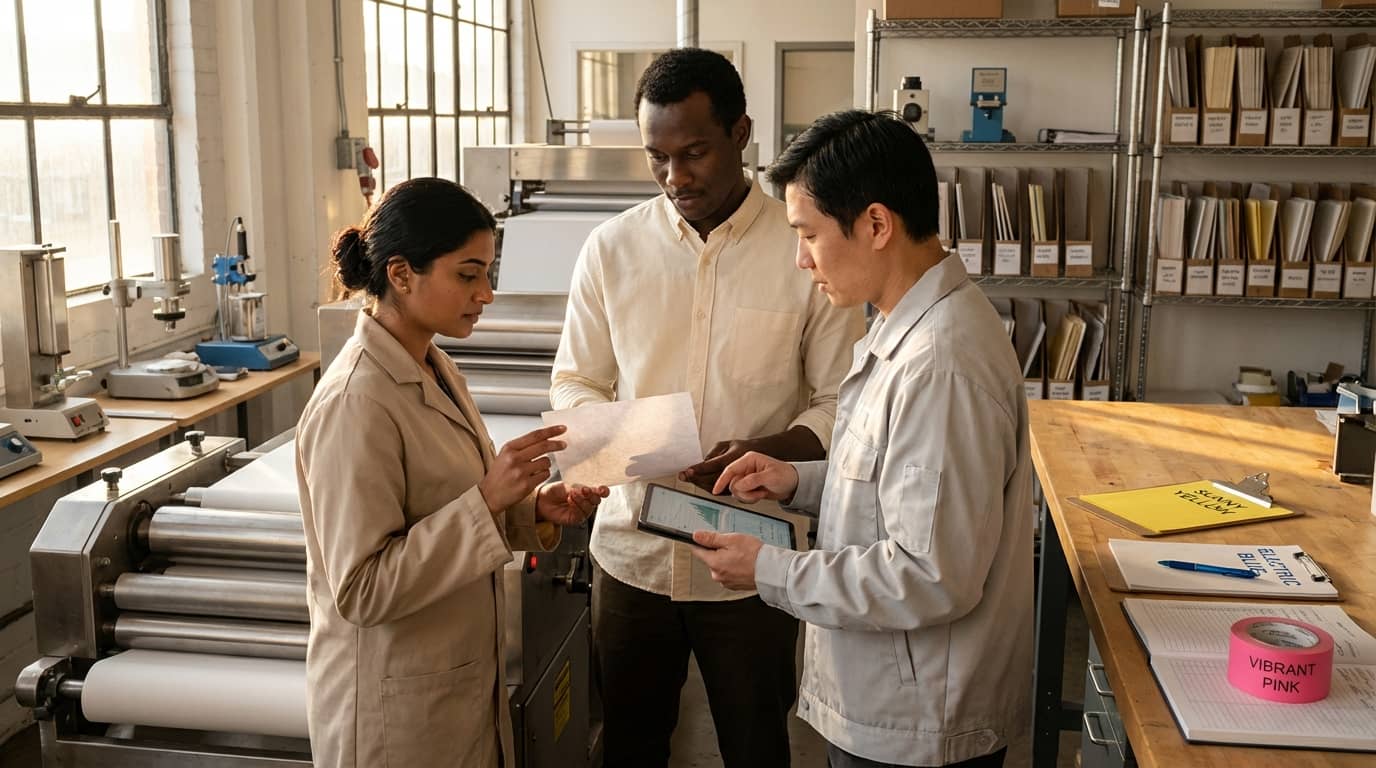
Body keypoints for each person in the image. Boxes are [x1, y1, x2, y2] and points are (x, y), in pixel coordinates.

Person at [691, 109, 1034, 768]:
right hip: (888, 704)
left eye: (808, 234)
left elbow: (929, 575)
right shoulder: (903, 325)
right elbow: (902, 482)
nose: (801, 259)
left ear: (876, 225)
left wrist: (767, 570)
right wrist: (798, 481)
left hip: (915, 727)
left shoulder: (941, 365)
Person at [551, 48, 865, 767]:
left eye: (694, 153)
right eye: (657, 157)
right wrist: (619, 439)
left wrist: (769, 451)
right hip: (631, 555)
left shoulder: (803, 251)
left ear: (741, 133)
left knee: (757, 746)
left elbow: (838, 401)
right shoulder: (610, 249)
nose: (675, 177)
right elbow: (574, 382)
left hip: (754, 562)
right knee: (630, 747)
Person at [296, 177, 608, 768]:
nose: (486, 293)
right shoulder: (356, 403)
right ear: (401, 274)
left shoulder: (433, 366)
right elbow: (362, 589)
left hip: (448, 690)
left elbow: (444, 504)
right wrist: (488, 498)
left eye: (488, 272)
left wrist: (529, 508)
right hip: (392, 716)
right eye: (468, 275)